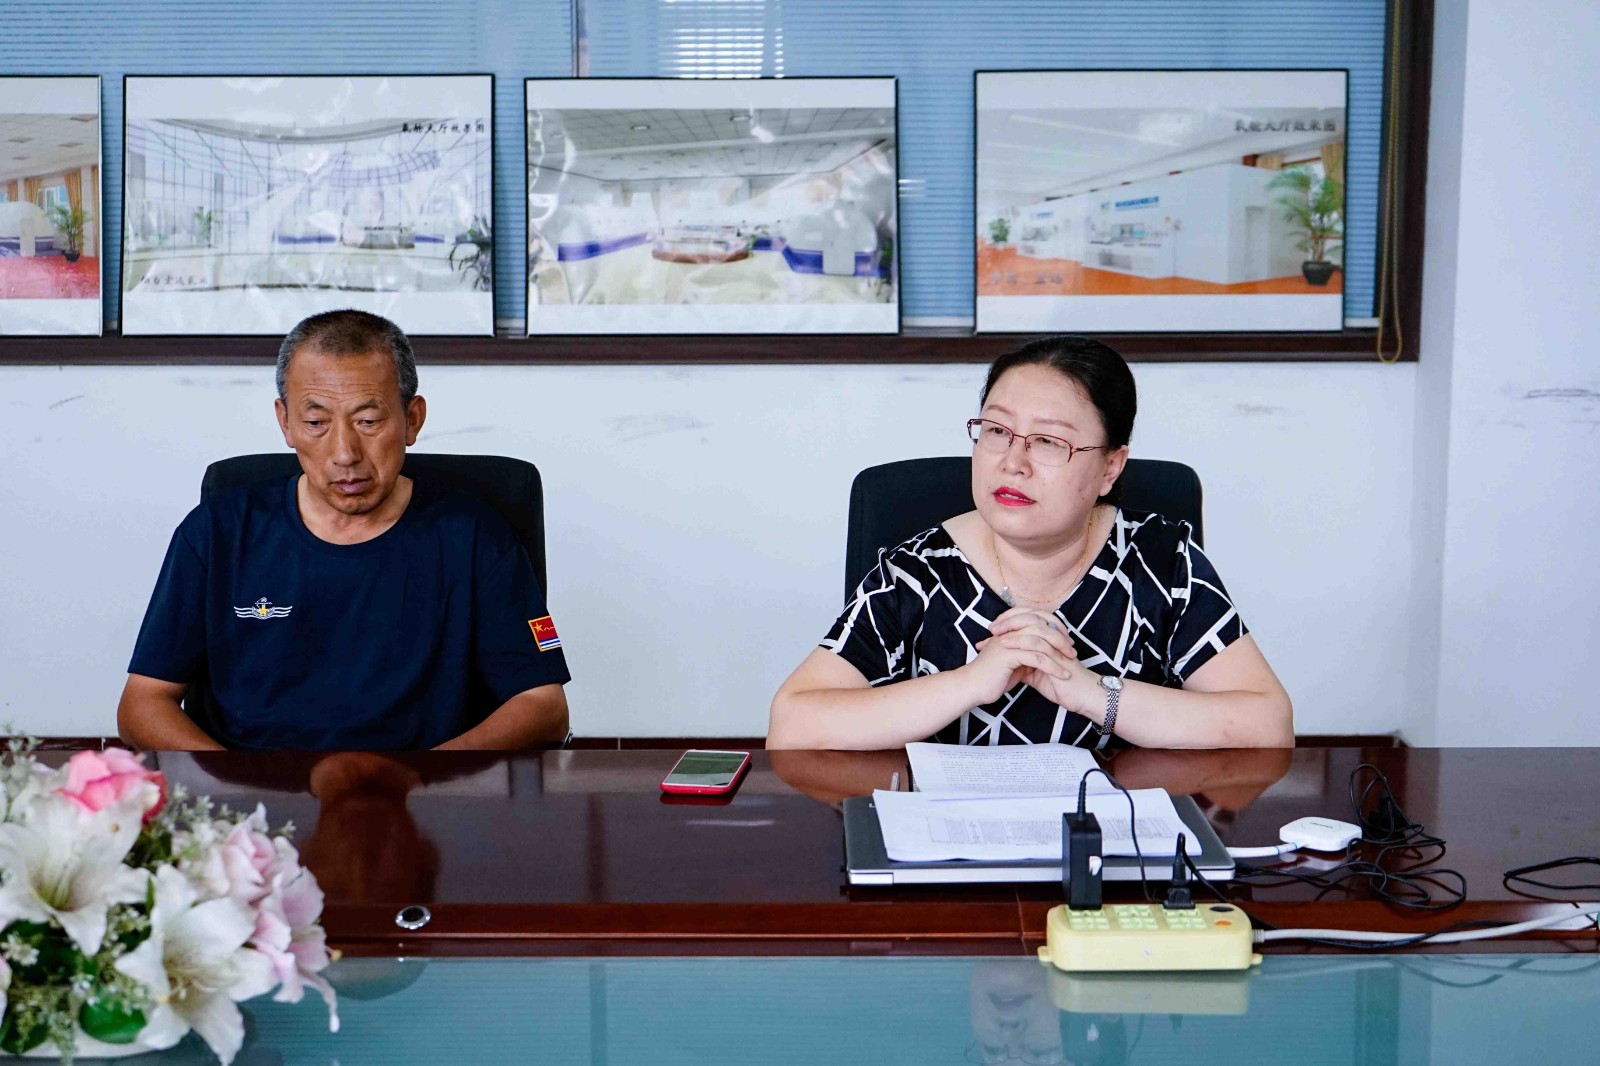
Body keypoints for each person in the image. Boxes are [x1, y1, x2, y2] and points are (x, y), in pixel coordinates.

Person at [769, 335, 1292, 750]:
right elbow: (793, 723)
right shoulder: (917, 573)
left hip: (1111, 841)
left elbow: (1267, 724)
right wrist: (971, 682)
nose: (1012, 462)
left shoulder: (1160, 561)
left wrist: (1089, 691)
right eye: (997, 431)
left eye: (1048, 441)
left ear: (1110, 467)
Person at [117, 310, 570, 751]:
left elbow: (543, 707)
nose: (344, 453)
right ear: (285, 423)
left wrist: (424, 779)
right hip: (254, 793)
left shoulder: (475, 537)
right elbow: (142, 704)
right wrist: (234, 786)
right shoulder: (217, 533)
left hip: (415, 791)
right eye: (316, 422)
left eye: (368, 421)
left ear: (412, 419)